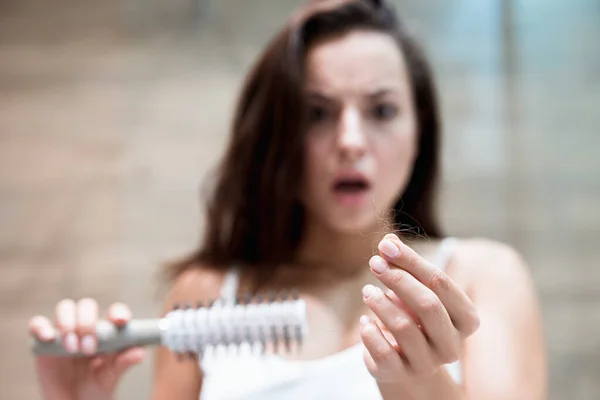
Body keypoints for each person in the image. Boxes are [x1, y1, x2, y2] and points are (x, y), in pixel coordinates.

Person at [28, 0, 547, 399]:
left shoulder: (484, 276)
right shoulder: (205, 294)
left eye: (382, 110)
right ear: (278, 136)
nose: (349, 140)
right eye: (316, 113)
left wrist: (427, 390)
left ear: (421, 132)